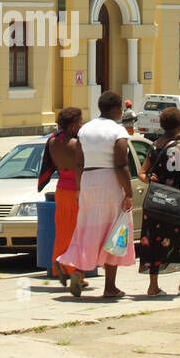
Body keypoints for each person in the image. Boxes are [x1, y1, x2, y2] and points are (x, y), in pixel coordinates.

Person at [58, 91, 136, 298]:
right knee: (113, 232)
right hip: (109, 181)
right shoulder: (118, 131)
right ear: (117, 109)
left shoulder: (85, 130)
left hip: (88, 181)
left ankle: (79, 270)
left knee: (88, 229)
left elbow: (79, 162)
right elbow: (121, 164)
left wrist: (79, 189)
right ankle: (110, 287)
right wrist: (128, 192)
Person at [138, 106, 180, 296]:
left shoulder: (154, 146)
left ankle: (153, 285)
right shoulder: (179, 148)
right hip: (177, 203)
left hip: (156, 202)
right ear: (179, 126)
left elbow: (142, 173)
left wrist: (150, 179)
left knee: (153, 242)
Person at [47, 108, 84, 285]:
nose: (81, 125)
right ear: (71, 125)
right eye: (79, 123)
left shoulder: (53, 142)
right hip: (76, 190)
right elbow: (79, 169)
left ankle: (60, 262)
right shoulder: (76, 145)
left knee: (62, 231)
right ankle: (76, 271)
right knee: (79, 233)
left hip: (61, 189)